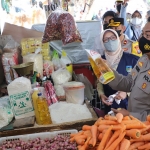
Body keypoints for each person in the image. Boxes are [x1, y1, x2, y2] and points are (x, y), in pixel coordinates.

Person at [107, 17, 150, 121]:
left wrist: (130, 115)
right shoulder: (144, 59)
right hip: (135, 126)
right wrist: (107, 71)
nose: (141, 39)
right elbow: (129, 82)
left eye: (147, 35)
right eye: (142, 34)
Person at [97, 29, 139, 114]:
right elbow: (99, 81)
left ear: (118, 39)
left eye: (113, 37)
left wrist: (127, 93)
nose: (110, 41)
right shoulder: (100, 61)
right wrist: (101, 94)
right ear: (102, 43)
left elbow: (141, 84)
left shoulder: (133, 60)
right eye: (106, 39)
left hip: (130, 107)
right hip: (109, 106)